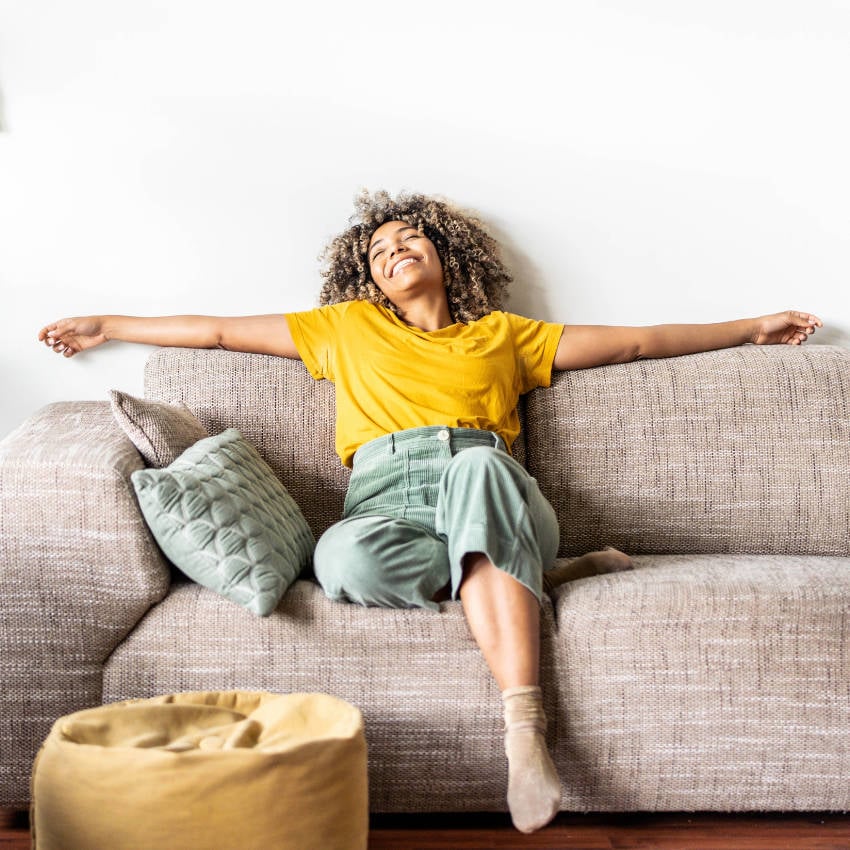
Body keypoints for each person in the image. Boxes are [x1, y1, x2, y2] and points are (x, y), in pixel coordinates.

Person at [38, 190, 823, 833]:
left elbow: (638, 345)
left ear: (445, 256)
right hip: (385, 496)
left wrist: (751, 328)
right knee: (340, 561)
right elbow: (210, 332)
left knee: (481, 462)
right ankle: (542, 573)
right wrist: (108, 325)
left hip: (483, 477)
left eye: (409, 238)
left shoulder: (503, 337)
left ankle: (523, 729)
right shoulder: (344, 330)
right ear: (370, 280)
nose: (395, 250)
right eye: (379, 251)